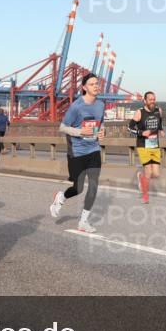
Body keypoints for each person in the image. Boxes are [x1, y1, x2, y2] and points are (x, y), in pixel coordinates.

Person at [49, 73, 105, 233]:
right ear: (84, 87)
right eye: (92, 84)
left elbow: (101, 124)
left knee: (93, 186)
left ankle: (83, 222)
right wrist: (80, 131)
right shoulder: (76, 106)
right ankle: (61, 197)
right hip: (77, 151)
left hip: (93, 149)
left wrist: (101, 132)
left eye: (97, 83)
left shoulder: (100, 105)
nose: (96, 86)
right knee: (78, 188)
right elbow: (63, 127)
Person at [128, 91, 165, 204]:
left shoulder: (158, 111)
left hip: (155, 145)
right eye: (150, 99)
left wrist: (161, 129)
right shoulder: (139, 112)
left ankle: (141, 177)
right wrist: (141, 132)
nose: (152, 101)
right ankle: (145, 196)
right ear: (145, 101)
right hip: (143, 146)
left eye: (154, 99)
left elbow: (159, 123)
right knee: (148, 172)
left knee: (156, 174)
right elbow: (129, 128)